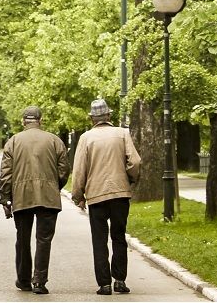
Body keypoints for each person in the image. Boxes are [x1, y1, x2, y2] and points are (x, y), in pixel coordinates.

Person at [71, 98, 141, 296]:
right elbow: (134, 161)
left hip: (96, 195)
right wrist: (130, 179)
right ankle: (120, 280)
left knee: (99, 240)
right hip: (120, 193)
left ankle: (104, 284)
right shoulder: (122, 133)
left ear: (92, 118)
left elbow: (79, 170)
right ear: (109, 116)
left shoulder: (86, 138)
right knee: (119, 236)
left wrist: (78, 195)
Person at [0, 106, 70, 295]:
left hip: (22, 196)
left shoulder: (13, 142)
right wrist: (54, 186)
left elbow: (6, 173)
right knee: (44, 239)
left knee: (22, 239)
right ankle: (39, 280)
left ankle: (23, 280)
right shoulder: (55, 140)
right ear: (41, 120)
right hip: (48, 196)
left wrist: (6, 198)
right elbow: (63, 170)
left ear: (24, 121)